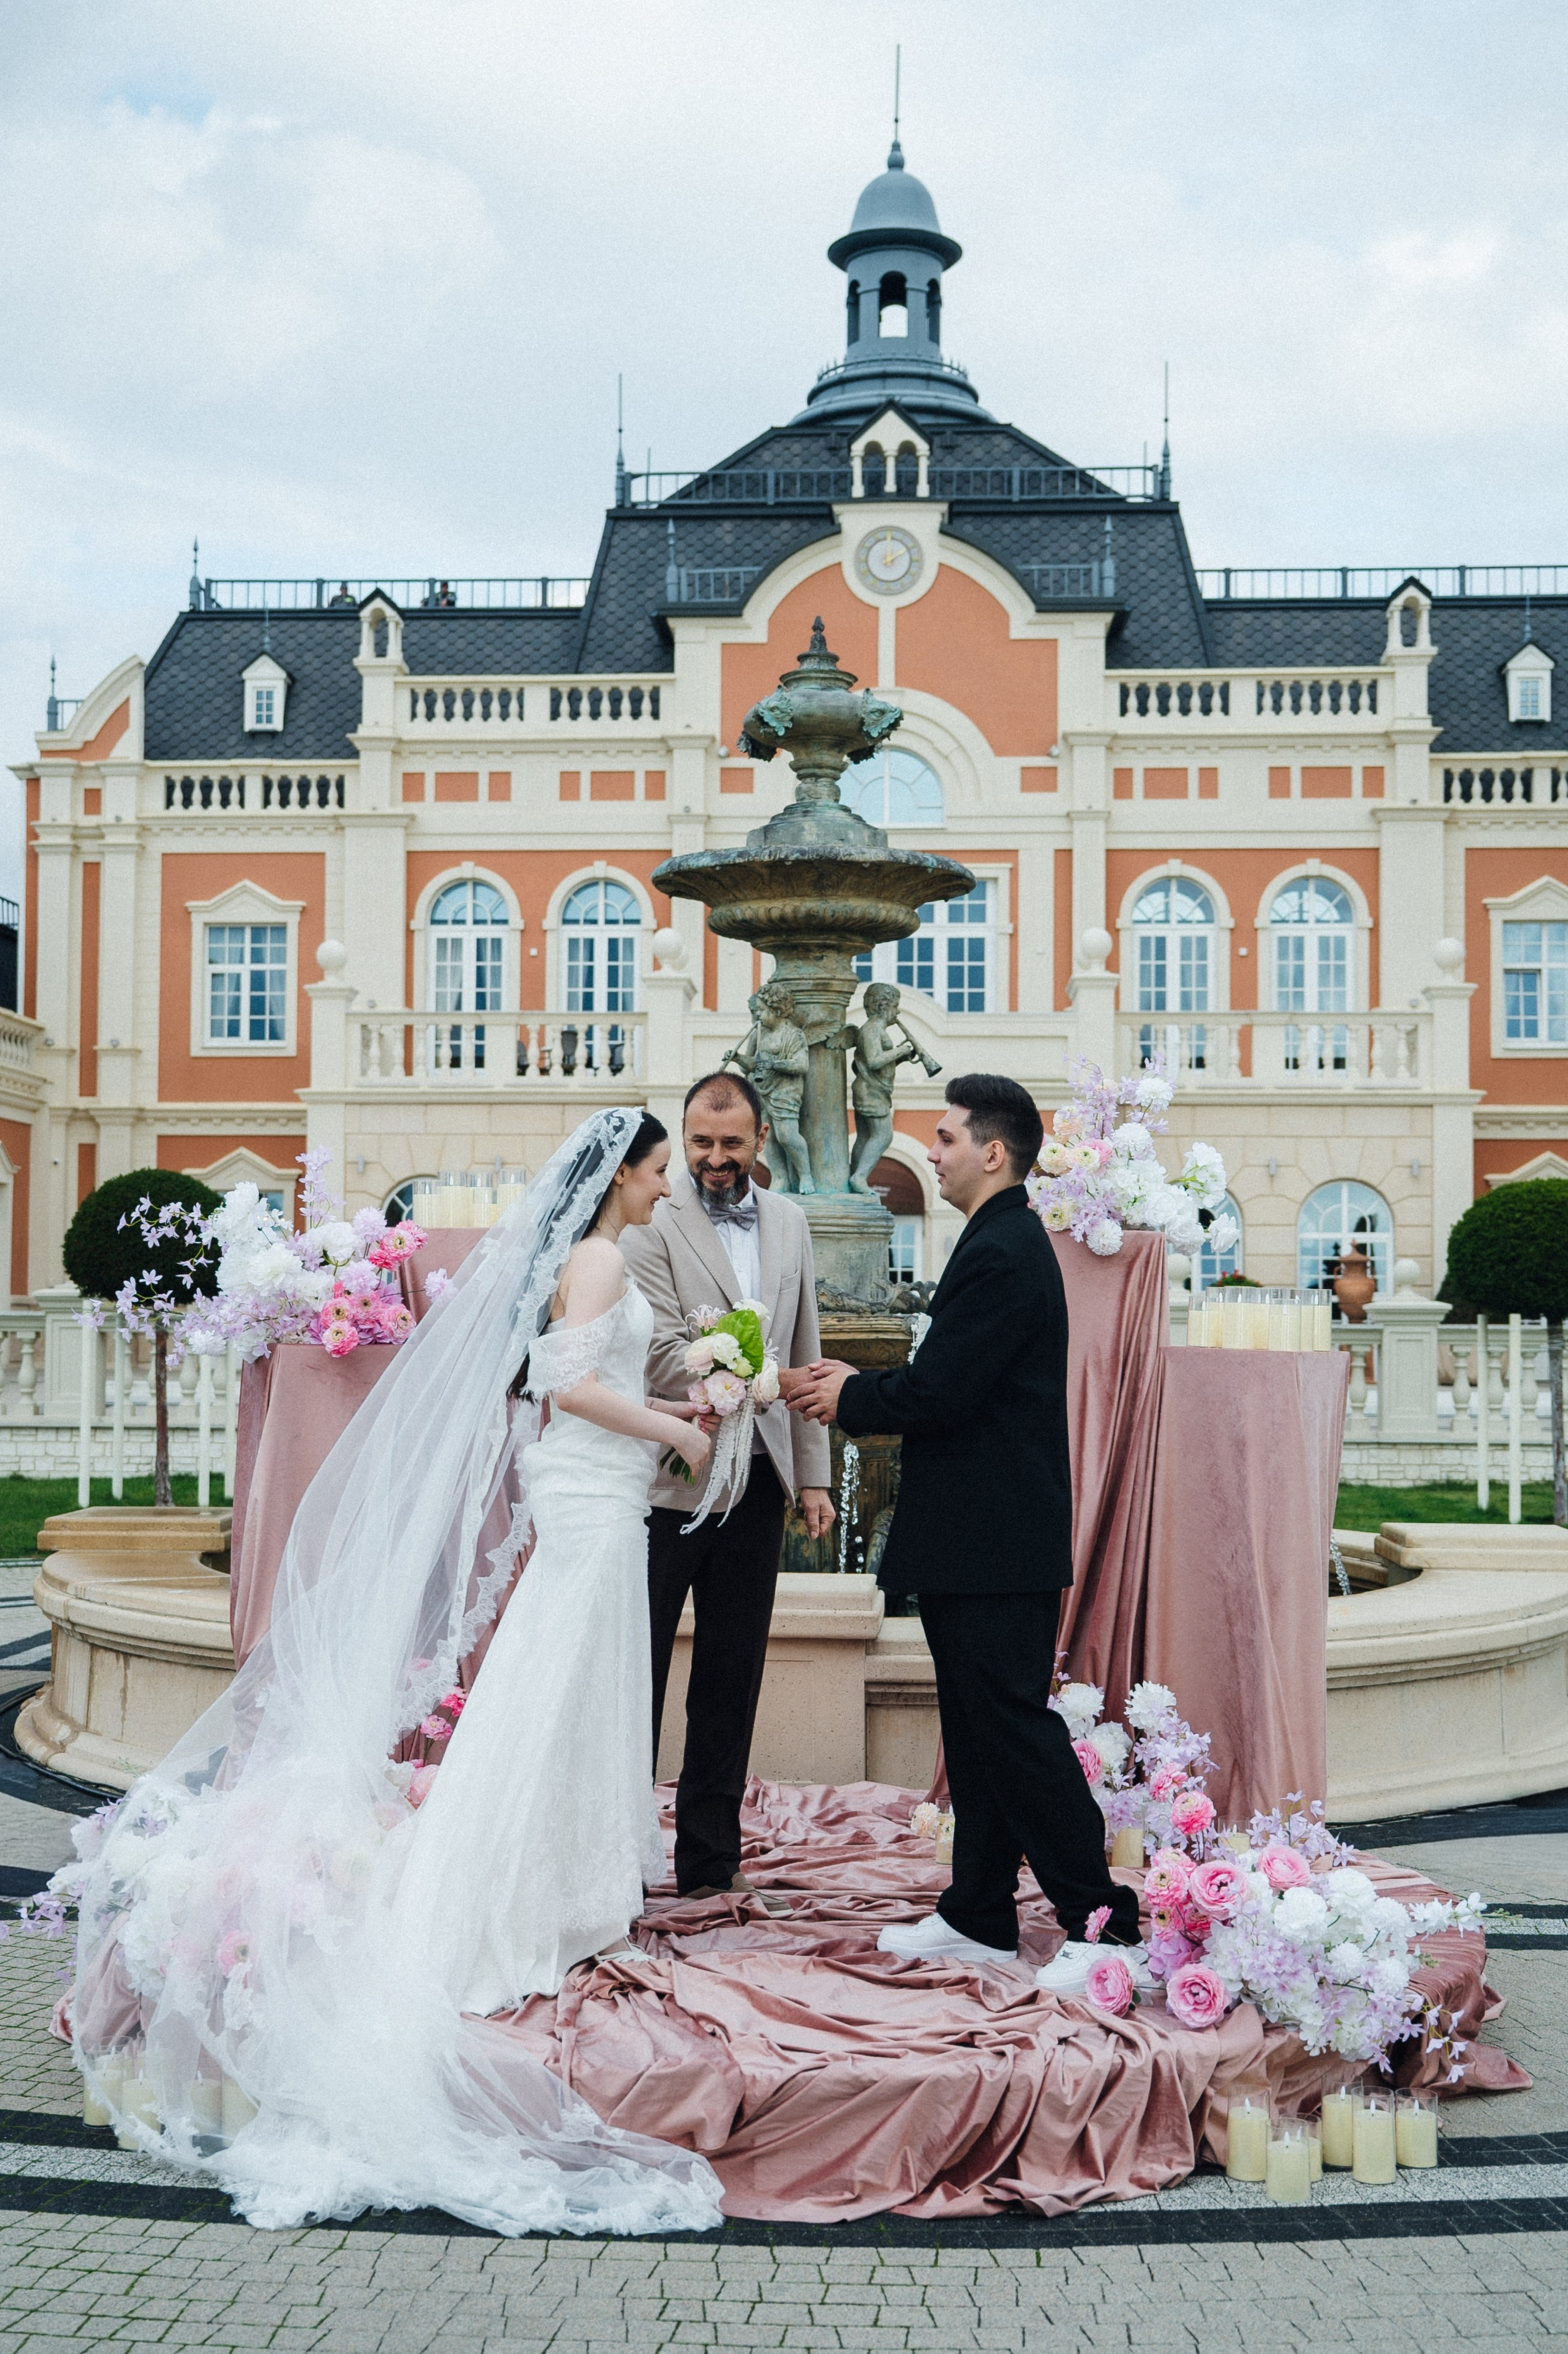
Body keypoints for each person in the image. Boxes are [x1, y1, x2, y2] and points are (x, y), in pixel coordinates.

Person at [63, 1108, 725, 2238]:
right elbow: (562, 1380)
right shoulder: (603, 1253)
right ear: (620, 1173)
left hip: (602, 1491)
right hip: (594, 1489)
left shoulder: (606, 1252)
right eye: (661, 1169)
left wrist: (686, 1388)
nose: (670, 1186)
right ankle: (505, 1899)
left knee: (576, 1693)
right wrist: (682, 1428)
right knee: (553, 1692)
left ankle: (568, 1887)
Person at [784, 1073, 1149, 1990]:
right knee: (983, 1731)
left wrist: (848, 1396)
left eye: (944, 1138)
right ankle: (978, 1913)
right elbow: (953, 1376)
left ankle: (1102, 1922)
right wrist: (859, 1386)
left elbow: (944, 1390)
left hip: (994, 1539)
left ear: (993, 1151)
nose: (932, 1152)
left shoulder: (1004, 1247)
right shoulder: (998, 1238)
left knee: (1014, 1730)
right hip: (982, 1537)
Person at [621, 1072, 834, 1903]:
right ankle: (621, 1858)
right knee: (638, 1675)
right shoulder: (649, 1224)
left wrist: (812, 1476)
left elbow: (807, 1343)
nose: (715, 1159)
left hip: (761, 1485)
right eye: (701, 1144)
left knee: (730, 1677)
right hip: (668, 1486)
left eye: (731, 1144)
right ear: (685, 1139)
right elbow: (663, 1355)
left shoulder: (790, 1223)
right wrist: (748, 1364)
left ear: (760, 1139)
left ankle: (711, 1863)